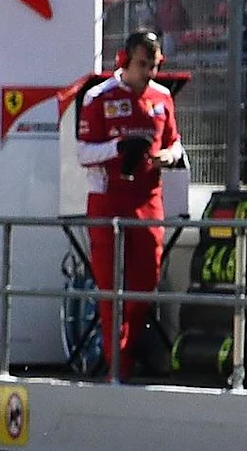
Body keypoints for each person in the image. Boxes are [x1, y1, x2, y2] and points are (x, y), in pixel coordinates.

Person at [74, 28, 186, 374]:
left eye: (154, 66)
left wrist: (167, 156)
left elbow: (176, 144)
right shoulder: (97, 97)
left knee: (145, 283)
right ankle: (116, 366)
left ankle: (124, 351)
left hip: (148, 197)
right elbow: (81, 152)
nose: (148, 74)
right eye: (142, 65)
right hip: (108, 198)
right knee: (110, 289)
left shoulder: (163, 97)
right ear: (124, 60)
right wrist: (119, 148)